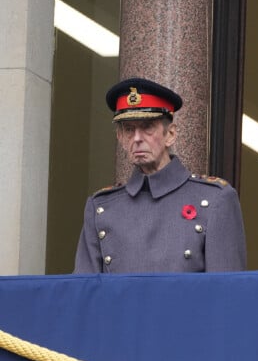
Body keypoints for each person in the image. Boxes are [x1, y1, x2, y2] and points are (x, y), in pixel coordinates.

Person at [74, 77, 247, 273]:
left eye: (147, 128)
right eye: (129, 130)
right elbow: (84, 294)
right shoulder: (101, 207)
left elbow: (226, 294)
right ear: (120, 138)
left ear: (170, 134)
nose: (137, 138)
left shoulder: (215, 200)